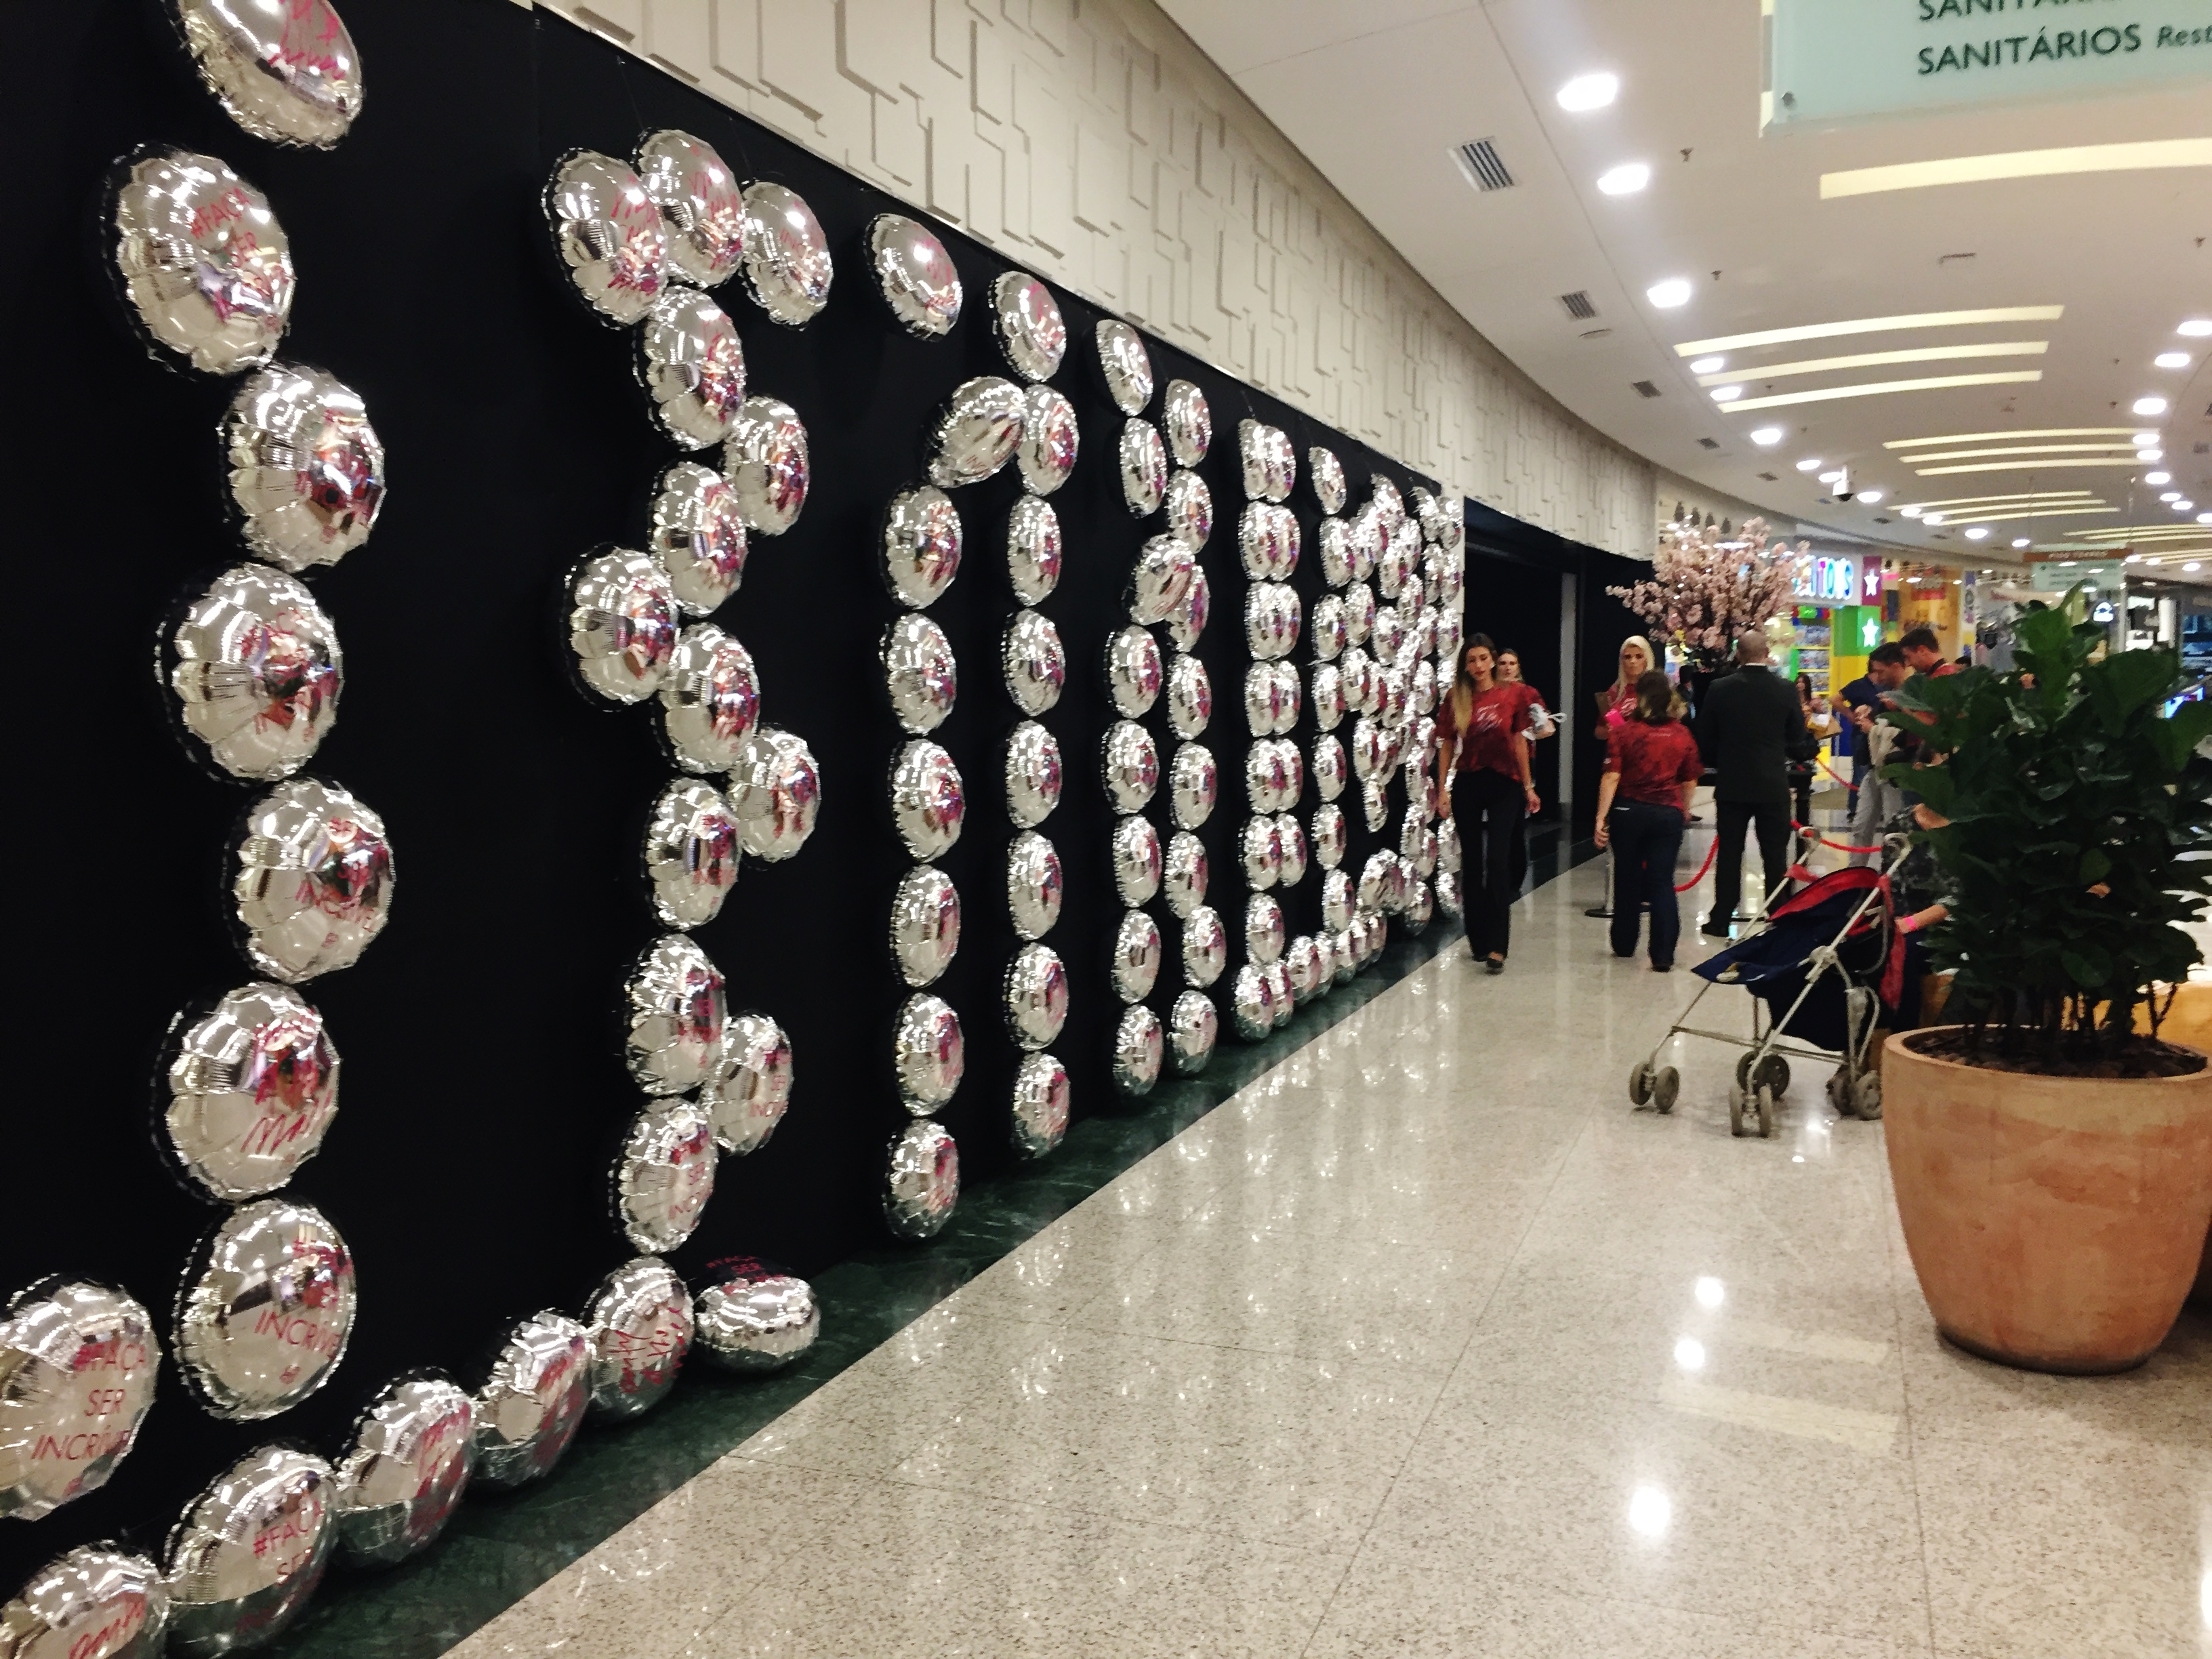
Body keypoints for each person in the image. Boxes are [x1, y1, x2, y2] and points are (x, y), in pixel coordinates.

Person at [1694, 631, 1811, 937]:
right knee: (1775, 854)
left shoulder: (1720, 688)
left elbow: (1705, 736)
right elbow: (1797, 736)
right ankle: (1778, 914)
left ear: (1738, 654)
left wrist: (1723, 758)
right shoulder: (1785, 689)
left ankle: (1722, 917)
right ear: (1767, 653)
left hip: (1732, 782)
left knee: (1730, 852)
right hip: (1772, 783)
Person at [1436, 634, 1542, 973]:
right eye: (1472, 660)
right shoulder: (1456, 697)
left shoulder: (1513, 694)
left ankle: (1499, 945)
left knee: (1498, 859)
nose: (1479, 666)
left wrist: (1529, 786)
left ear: (1493, 659)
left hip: (1505, 783)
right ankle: (1478, 938)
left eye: (1484, 658)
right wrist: (1442, 790)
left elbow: (1519, 741)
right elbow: (1447, 744)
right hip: (1469, 781)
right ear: (1465, 665)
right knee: (1471, 861)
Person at [1593, 670, 1702, 971]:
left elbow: (1611, 776)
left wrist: (1601, 817)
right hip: (1667, 813)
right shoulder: (1682, 734)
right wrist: (1684, 809)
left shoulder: (1624, 732)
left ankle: (1625, 943)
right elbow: (1690, 779)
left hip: (1628, 812)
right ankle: (1663, 955)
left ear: (1639, 697)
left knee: (1627, 877)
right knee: (1662, 881)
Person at [1585, 635, 1657, 920]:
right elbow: (1599, 732)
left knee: (1647, 835)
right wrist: (1612, 729)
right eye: (1627, 657)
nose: (1633, 662)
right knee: (1620, 833)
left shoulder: (1656, 691)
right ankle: (1623, 894)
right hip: (1617, 767)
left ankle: (1646, 892)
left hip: (1649, 769)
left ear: (1647, 658)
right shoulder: (1613, 693)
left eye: (1638, 656)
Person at [1833, 642, 1908, 810]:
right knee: (1864, 801)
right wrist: (1857, 714)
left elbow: (1909, 733)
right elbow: (1835, 699)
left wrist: (1872, 728)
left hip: (1896, 764)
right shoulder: (1871, 688)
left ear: (1896, 666)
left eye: (1881, 672)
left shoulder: (1909, 693)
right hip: (1874, 758)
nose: (1879, 678)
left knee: (1892, 813)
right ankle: (1853, 809)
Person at [1792, 672, 1840, 827]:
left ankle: (1806, 787)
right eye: (1798, 681)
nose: (1800, 685)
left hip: (1809, 739)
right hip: (1793, 739)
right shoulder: (1791, 699)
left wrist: (1814, 710)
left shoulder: (1814, 700)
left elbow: (1823, 717)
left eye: (1803, 682)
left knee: (1807, 767)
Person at [1497, 649, 1557, 742]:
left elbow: (1549, 728)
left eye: (1512, 664)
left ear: (1518, 668)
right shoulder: (1487, 692)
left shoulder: (1529, 692)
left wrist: (1532, 732)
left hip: (1521, 747)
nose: (1508, 668)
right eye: (1503, 663)